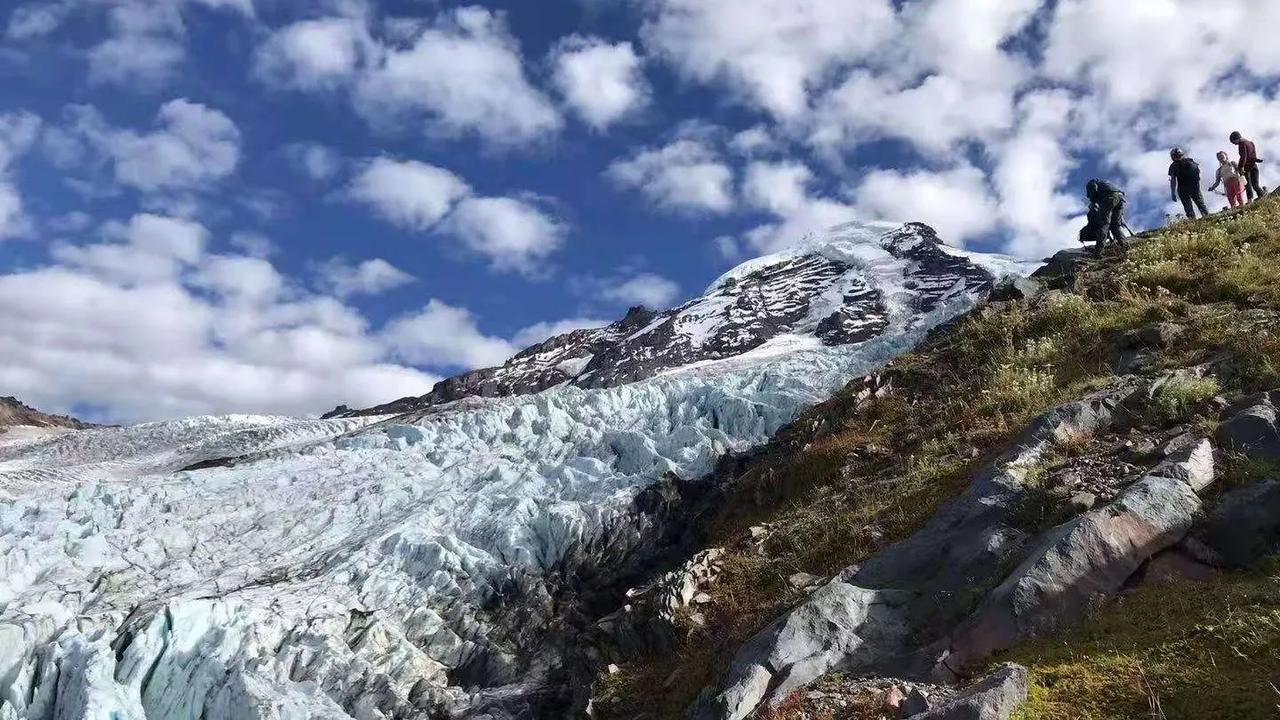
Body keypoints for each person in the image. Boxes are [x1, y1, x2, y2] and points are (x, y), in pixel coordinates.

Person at [1083, 178, 1129, 256]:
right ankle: (1125, 246)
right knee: (1115, 226)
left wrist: (1093, 202)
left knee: (1103, 225)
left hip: (1109, 198)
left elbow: (1094, 190)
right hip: (1120, 198)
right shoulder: (1104, 183)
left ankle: (1098, 252)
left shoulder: (1091, 183)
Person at [1168, 147, 1209, 219]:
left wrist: (1173, 192)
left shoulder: (1174, 166)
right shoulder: (1190, 161)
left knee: (1189, 206)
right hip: (1192, 186)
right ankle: (1206, 217)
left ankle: (1194, 220)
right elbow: (1197, 173)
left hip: (1185, 187)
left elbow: (1173, 180)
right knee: (1198, 203)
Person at [1230, 131, 1268, 202]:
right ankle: (1261, 194)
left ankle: (1250, 199)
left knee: (1247, 184)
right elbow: (1253, 154)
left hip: (1246, 167)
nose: (1234, 144)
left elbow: (1243, 157)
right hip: (1253, 165)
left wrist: (1240, 167)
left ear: (1235, 139)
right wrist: (1256, 159)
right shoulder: (1250, 143)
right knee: (1255, 184)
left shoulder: (1242, 144)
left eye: (1233, 142)